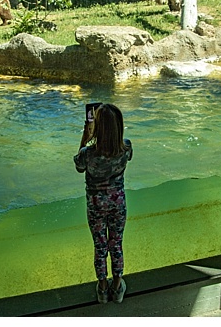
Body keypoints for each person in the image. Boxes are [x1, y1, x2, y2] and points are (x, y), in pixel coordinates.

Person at [75, 103, 133, 304]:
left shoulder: (88, 153)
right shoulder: (126, 147)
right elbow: (124, 156)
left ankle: (102, 288)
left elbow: (79, 166)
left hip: (96, 204)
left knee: (100, 246)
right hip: (118, 202)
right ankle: (117, 286)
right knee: (116, 242)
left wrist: (86, 134)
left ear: (96, 127)